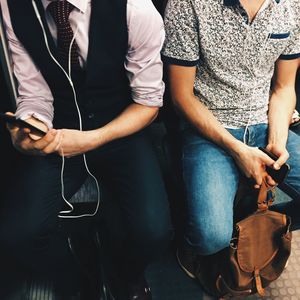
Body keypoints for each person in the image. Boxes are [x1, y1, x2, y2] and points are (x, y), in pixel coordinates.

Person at [0, 0, 172, 299]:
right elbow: (34, 91)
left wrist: (94, 138)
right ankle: (79, 272)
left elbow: (148, 104)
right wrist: (30, 130)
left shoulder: (136, 9)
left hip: (120, 128)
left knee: (154, 232)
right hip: (58, 130)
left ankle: (124, 273)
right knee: (16, 237)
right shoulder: (12, 6)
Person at [162, 0, 300, 292]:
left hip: (265, 121)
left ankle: (254, 218)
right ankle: (189, 247)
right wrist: (238, 150)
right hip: (210, 127)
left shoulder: (291, 5)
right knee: (210, 237)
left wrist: (277, 141)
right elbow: (181, 97)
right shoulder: (187, 4)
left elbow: (284, 87)